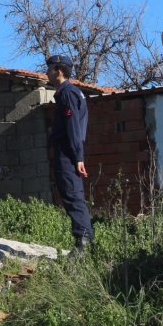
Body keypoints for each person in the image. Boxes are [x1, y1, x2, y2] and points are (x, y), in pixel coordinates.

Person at [46, 55, 94, 255]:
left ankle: (83, 242)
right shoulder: (70, 93)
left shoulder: (68, 94)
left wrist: (78, 157)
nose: (46, 73)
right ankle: (83, 239)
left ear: (58, 71)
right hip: (68, 151)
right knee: (70, 193)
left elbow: (73, 128)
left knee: (72, 194)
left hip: (67, 151)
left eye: (49, 69)